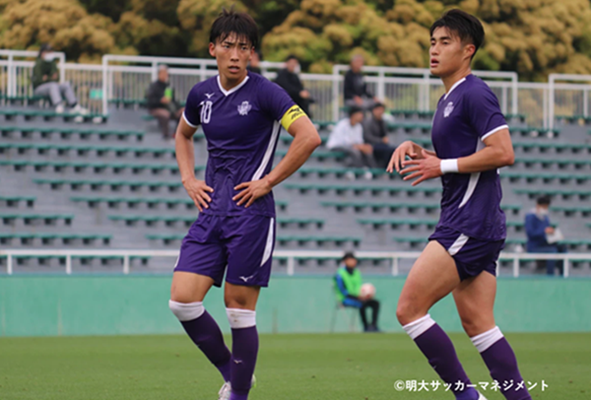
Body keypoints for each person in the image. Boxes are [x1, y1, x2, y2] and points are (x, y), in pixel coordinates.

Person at [169, 8, 321, 400]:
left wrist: (267, 181)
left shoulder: (267, 93)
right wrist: (189, 179)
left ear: (252, 53)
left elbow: (308, 136)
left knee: (237, 309)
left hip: (251, 216)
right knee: (182, 301)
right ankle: (233, 373)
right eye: (228, 46)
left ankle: (237, 393)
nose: (235, 55)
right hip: (210, 212)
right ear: (213, 49)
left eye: (244, 47)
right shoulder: (200, 95)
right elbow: (182, 135)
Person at [388, 10, 531, 400]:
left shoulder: (474, 92)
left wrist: (442, 165)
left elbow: (503, 152)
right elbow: (459, 157)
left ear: (468, 50)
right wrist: (422, 152)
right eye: (432, 42)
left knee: (409, 309)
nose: (434, 50)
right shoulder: (448, 99)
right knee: (478, 323)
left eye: (445, 42)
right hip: (476, 222)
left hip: (468, 222)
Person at [32, 43, 87, 115]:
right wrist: (50, 78)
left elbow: (56, 78)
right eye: (48, 52)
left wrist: (47, 78)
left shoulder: (52, 63)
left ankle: (74, 105)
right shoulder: (38, 64)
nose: (50, 53)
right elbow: (39, 80)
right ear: (42, 53)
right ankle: (58, 105)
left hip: (52, 87)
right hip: (39, 89)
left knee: (66, 85)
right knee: (53, 85)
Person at [334, 252, 380, 332]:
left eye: (353, 259)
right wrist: (357, 297)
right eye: (350, 260)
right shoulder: (340, 274)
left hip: (358, 297)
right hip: (345, 299)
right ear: (345, 261)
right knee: (362, 304)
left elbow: (359, 287)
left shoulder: (356, 272)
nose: (353, 261)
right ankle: (366, 327)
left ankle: (374, 326)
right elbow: (343, 291)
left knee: (375, 303)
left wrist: (364, 295)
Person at [326, 105, 378, 172]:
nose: (362, 116)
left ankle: (374, 171)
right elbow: (344, 142)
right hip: (336, 146)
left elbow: (359, 141)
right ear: (353, 115)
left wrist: (363, 147)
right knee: (354, 151)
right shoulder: (342, 124)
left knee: (367, 150)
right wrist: (360, 147)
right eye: (360, 114)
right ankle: (360, 171)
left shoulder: (359, 126)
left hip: (351, 147)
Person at [525, 196, 567, 276]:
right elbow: (530, 233)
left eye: (546, 207)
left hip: (545, 243)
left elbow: (547, 232)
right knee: (552, 251)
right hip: (534, 246)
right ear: (538, 205)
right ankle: (550, 276)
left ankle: (563, 274)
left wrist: (554, 234)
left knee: (562, 248)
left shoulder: (545, 217)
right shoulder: (530, 217)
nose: (545, 209)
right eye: (544, 206)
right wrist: (544, 231)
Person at [146, 65, 185, 140]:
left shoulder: (168, 86)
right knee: (165, 114)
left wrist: (180, 108)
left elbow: (173, 100)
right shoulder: (153, 86)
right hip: (156, 108)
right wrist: (160, 101)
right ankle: (166, 136)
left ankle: (176, 134)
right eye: (163, 73)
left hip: (170, 108)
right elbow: (150, 101)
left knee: (182, 113)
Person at [362, 102, 396, 168]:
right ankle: (385, 169)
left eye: (382, 110)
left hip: (382, 145)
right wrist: (381, 140)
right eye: (378, 110)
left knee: (394, 150)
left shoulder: (383, 122)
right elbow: (367, 137)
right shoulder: (368, 122)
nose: (380, 112)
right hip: (371, 145)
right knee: (387, 151)